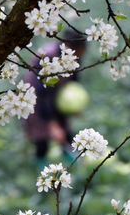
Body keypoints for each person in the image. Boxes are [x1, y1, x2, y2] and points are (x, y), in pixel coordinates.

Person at [23, 30, 87, 170]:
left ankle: (73, 159)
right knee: (42, 134)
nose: (79, 56)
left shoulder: (75, 56)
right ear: (69, 46)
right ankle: (40, 163)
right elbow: (42, 93)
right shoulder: (48, 56)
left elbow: (74, 80)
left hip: (57, 95)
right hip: (35, 97)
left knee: (64, 127)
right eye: (79, 52)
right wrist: (52, 124)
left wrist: (75, 105)